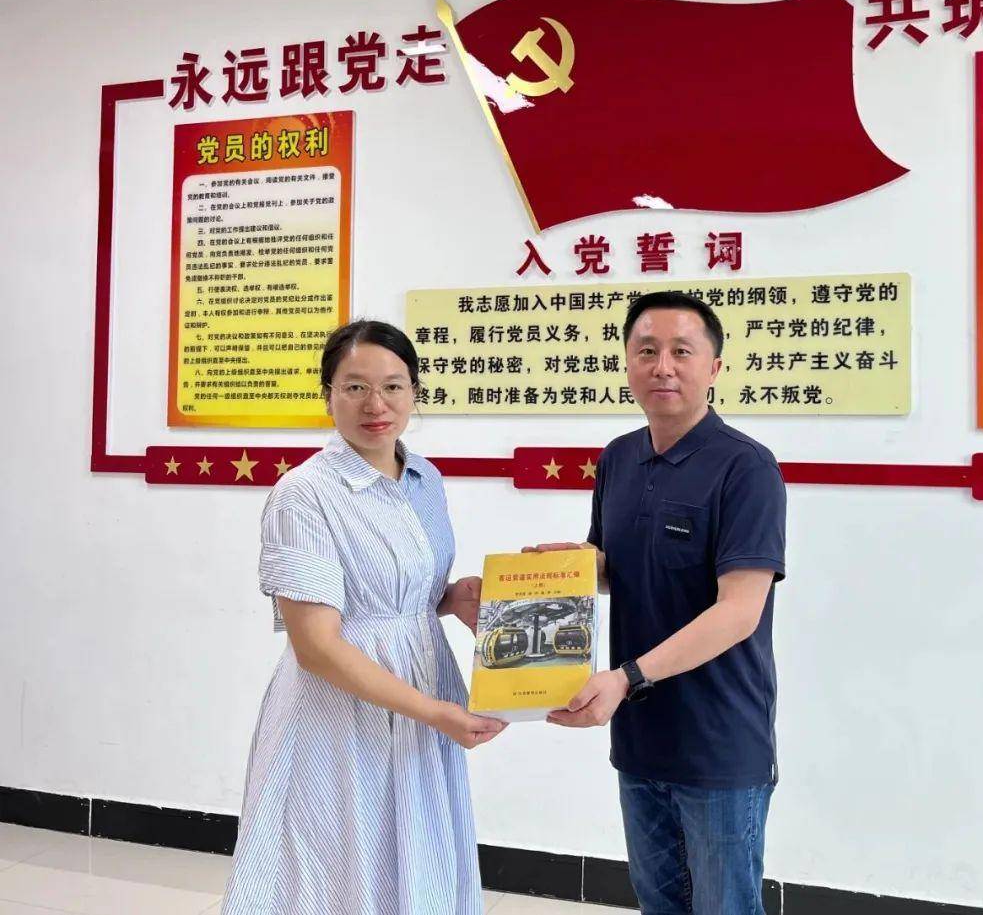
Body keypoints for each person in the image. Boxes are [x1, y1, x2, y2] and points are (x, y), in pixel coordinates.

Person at [222, 320, 505, 915]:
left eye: (393, 386)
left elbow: (398, 594)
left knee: (418, 858)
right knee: (339, 870)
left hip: (422, 695)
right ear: (327, 394)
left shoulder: (425, 479)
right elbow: (317, 647)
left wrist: (450, 597)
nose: (376, 405)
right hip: (338, 712)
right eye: (355, 387)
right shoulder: (304, 494)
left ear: (414, 392)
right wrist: (434, 712)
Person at [533, 291, 787, 915]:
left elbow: (739, 611)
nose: (663, 367)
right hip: (641, 737)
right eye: (647, 351)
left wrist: (628, 676)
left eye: (682, 351)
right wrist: (560, 574)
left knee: (724, 907)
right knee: (659, 903)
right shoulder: (619, 458)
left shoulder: (747, 468)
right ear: (627, 363)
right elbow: (616, 567)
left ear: (715, 367)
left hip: (719, 740)